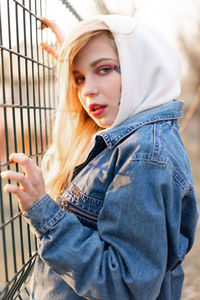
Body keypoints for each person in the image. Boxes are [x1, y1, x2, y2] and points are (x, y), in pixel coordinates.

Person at [1, 14, 199, 300]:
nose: (86, 90)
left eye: (104, 69)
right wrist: (74, 61)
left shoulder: (144, 155)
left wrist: (44, 213)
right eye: (78, 79)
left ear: (139, 69)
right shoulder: (131, 133)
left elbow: (125, 287)